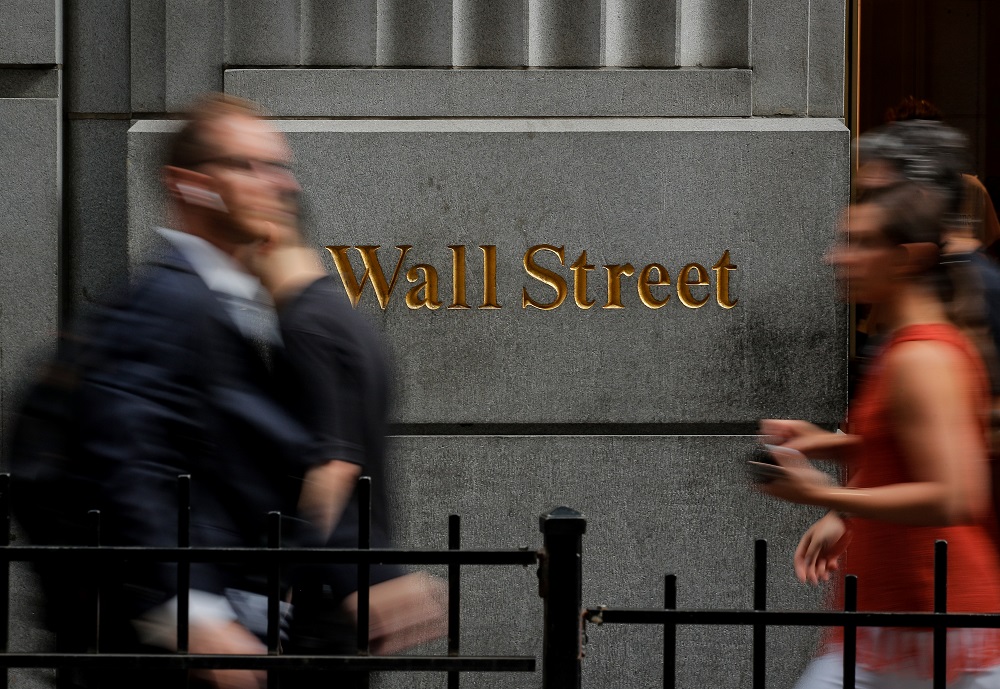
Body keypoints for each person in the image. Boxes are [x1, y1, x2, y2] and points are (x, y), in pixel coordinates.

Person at [74, 94, 376, 689]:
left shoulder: (226, 301)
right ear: (188, 184)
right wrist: (192, 611)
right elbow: (128, 461)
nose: (277, 185)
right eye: (247, 165)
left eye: (280, 166)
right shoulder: (169, 302)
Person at [756, 182, 1000, 688]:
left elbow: (955, 494)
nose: (837, 257)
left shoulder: (922, 358)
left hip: (937, 623)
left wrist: (824, 494)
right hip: (890, 620)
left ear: (907, 258)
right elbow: (906, 444)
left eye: (859, 242)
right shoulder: (904, 347)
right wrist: (826, 443)